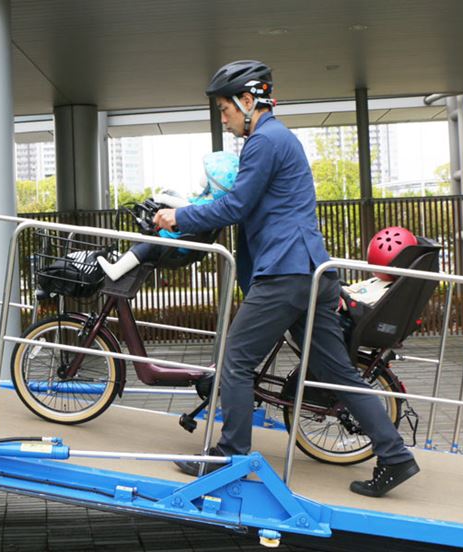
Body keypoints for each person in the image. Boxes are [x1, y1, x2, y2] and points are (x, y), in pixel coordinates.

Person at [153, 60, 419, 498]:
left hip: (286, 273)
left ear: (246, 100)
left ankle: (229, 457)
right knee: (337, 373)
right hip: (310, 271)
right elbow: (251, 207)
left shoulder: (263, 142)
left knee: (236, 361)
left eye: (224, 109)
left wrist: (178, 215)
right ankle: (396, 456)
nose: (224, 119)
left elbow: (235, 206)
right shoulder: (279, 139)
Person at [97, 151, 239, 281]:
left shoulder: (210, 205)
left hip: (175, 246)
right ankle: (123, 261)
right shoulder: (208, 200)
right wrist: (171, 194)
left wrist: (165, 199)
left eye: (207, 173)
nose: (203, 174)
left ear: (216, 181)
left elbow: (191, 209)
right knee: (144, 239)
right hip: (171, 240)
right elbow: (188, 203)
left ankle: (116, 270)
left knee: (148, 245)